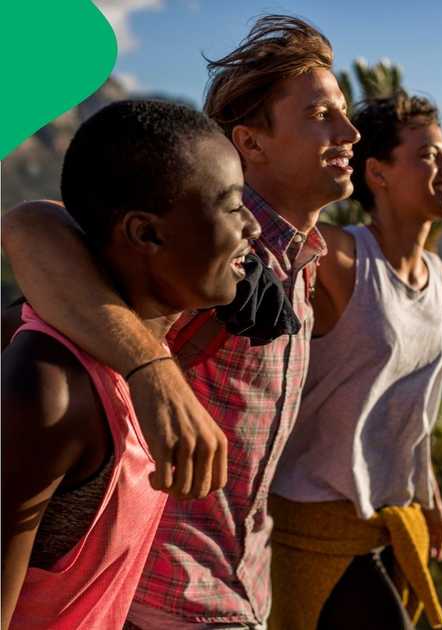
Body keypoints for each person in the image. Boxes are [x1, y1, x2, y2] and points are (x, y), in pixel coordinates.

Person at [1, 15, 360, 628]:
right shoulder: (198, 263)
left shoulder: (295, 268)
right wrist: (154, 368)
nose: (350, 131)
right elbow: (33, 228)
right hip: (163, 601)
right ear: (252, 143)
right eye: (319, 114)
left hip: (237, 590)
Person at [1, 100, 260, 629]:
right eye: (232, 207)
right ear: (145, 234)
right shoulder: (53, 388)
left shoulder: (144, 350)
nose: (252, 226)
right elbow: (29, 220)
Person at [267, 90, 442, 629]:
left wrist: (431, 496)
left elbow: (411, 408)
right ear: (377, 173)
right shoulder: (335, 258)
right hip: (315, 526)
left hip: (388, 523)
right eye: (427, 156)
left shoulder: (439, 278)